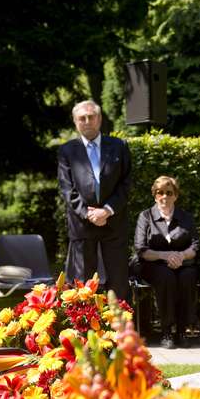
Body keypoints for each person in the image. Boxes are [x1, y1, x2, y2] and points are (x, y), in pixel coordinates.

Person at [58, 100, 132, 301]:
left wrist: (107, 210)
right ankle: (84, 331)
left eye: (91, 117)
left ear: (99, 119)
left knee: (119, 282)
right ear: (75, 122)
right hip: (82, 225)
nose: (87, 121)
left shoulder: (119, 146)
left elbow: (126, 184)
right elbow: (67, 189)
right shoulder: (67, 151)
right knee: (82, 285)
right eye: (82, 118)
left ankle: (121, 330)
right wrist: (88, 213)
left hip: (113, 223)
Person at [133, 176, 200, 349]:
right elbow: (141, 249)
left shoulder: (186, 217)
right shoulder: (145, 216)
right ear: (154, 196)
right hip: (153, 265)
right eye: (159, 192)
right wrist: (166, 255)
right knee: (166, 277)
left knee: (188, 276)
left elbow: (195, 245)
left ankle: (182, 331)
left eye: (169, 193)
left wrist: (181, 256)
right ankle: (167, 331)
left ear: (175, 195)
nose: (164, 197)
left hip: (183, 263)